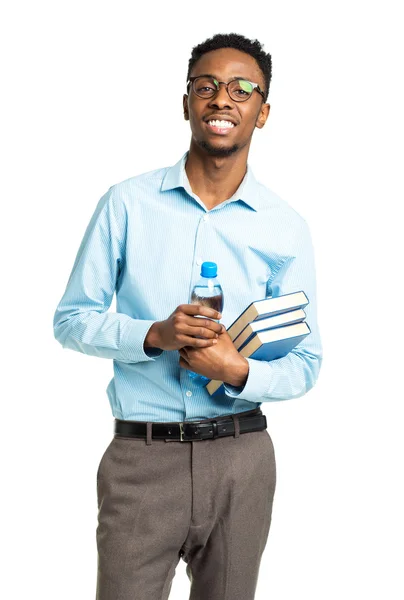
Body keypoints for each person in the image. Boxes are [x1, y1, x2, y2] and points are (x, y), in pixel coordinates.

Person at [53, 32, 322, 600]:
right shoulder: (126, 203)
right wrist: (154, 334)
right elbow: (72, 319)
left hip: (241, 460)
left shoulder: (284, 226)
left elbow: (305, 362)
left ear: (263, 112)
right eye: (207, 86)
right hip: (141, 460)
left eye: (242, 89)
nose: (223, 99)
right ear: (186, 103)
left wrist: (238, 371)